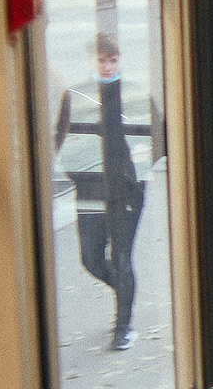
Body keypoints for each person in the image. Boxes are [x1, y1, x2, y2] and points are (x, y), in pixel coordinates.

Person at [54, 33, 163, 352]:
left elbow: (154, 138)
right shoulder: (76, 94)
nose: (107, 65)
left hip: (126, 190)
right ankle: (124, 291)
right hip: (89, 186)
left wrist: (137, 176)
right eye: (101, 59)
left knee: (121, 256)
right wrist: (76, 173)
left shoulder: (136, 93)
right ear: (92, 60)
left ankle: (123, 327)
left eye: (112, 59)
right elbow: (63, 136)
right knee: (90, 257)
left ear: (120, 60)